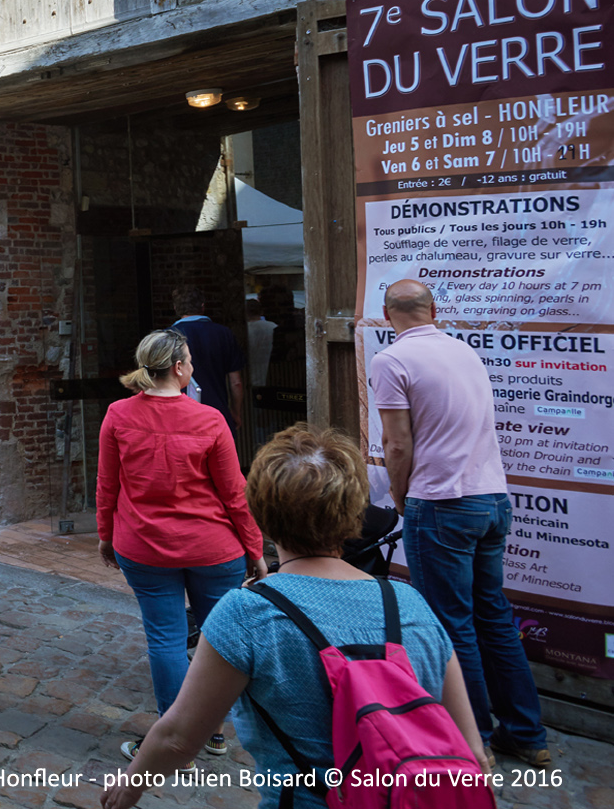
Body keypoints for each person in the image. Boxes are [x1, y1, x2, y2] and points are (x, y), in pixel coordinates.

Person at [101, 427, 487, 809]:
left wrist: (129, 787)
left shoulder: (247, 613)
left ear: (263, 514)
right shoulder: (410, 605)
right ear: (355, 511)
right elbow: (470, 752)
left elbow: (179, 738)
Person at [370, 278, 549, 766]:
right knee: (493, 616)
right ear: (434, 311)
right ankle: (528, 735)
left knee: (453, 626)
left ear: (388, 317)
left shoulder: (391, 360)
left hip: (443, 501)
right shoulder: (464, 350)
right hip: (491, 498)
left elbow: (397, 443)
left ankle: (475, 742)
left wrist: (402, 494)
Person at [96, 327, 267, 761]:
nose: (192, 366)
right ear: (178, 369)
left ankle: (175, 742)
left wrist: (104, 535)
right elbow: (234, 492)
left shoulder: (118, 414)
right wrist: (256, 549)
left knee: (166, 640)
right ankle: (212, 733)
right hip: (213, 548)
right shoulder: (209, 420)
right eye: (189, 360)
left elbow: (107, 485)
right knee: (219, 642)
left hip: (145, 546)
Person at [170, 286, 245, 434]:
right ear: (203, 306)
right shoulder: (224, 334)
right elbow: (236, 383)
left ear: (175, 308)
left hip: (180, 419)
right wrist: (235, 412)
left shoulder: (167, 337)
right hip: (217, 416)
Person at [245, 298, 274, 388]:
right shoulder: (273, 327)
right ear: (261, 312)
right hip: (271, 376)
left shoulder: (244, 331)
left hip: (250, 378)